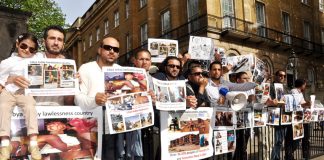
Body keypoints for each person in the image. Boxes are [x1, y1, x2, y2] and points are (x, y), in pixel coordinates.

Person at [74, 36, 120, 159]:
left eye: (115, 49)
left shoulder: (121, 71)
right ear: (99, 50)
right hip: (91, 128)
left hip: (114, 129)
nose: (112, 51)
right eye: (108, 48)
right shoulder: (86, 68)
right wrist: (94, 100)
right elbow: (77, 99)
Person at [7, 25, 74, 106]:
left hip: (57, 113)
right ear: (44, 41)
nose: (56, 43)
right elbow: (5, 77)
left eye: (59, 40)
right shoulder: (31, 58)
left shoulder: (68, 65)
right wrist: (13, 79)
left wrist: (73, 86)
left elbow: (68, 102)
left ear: (63, 44)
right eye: (52, 38)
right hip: (31, 112)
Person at [0, 33, 41, 160]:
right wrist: (9, 80)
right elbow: (1, 79)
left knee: (30, 107)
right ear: (17, 44)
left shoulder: (36, 59)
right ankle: (5, 144)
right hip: (9, 91)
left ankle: (33, 144)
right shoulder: (7, 62)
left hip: (25, 92)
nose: (27, 50)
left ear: (35, 51)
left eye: (31, 49)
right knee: (3, 107)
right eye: (24, 46)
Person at [269, 70, 296, 160]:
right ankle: (275, 158)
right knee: (277, 141)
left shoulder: (286, 88)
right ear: (275, 76)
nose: (282, 77)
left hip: (286, 116)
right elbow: (268, 101)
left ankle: (285, 156)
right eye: (280, 75)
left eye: (284, 76)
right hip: (276, 116)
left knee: (284, 140)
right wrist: (273, 102)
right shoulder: (271, 87)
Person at [233, 71, 254, 160]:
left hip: (248, 122)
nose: (247, 80)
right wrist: (248, 100)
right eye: (244, 78)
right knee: (238, 147)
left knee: (244, 146)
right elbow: (234, 105)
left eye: (248, 78)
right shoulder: (233, 90)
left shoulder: (250, 90)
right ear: (238, 80)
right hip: (237, 123)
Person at [290, 79, 311, 159]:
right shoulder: (294, 91)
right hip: (296, 119)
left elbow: (303, 104)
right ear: (302, 85)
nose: (305, 86)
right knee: (295, 140)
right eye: (305, 85)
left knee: (303, 139)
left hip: (301, 118)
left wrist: (308, 104)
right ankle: (289, 155)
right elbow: (297, 105)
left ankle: (305, 156)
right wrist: (306, 104)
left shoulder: (300, 93)